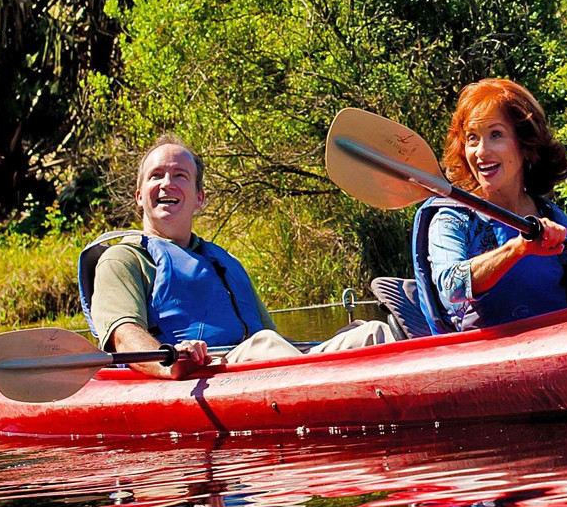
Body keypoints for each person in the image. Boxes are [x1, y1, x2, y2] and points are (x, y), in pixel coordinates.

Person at [80, 135, 394, 375]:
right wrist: (170, 361)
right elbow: (124, 337)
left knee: (373, 333)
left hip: (260, 366)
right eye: (156, 175)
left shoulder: (225, 262)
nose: (167, 184)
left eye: (179, 175)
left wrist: (331, 345)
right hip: (197, 373)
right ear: (139, 196)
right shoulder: (123, 260)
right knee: (264, 346)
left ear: (199, 198)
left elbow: (273, 338)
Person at [412, 79, 567, 333]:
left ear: (525, 145)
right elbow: (452, 287)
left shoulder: (552, 216)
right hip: (484, 352)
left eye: (495, 135)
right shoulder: (451, 218)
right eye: (472, 138)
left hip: (556, 345)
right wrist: (518, 249)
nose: (481, 152)